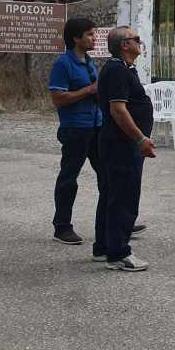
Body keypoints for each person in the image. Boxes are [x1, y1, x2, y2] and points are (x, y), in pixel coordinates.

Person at [95, 26, 156, 271]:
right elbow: (118, 110)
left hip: (119, 142)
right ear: (124, 45)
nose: (140, 42)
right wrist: (140, 140)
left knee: (112, 195)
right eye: (136, 39)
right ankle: (119, 253)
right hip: (122, 144)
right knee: (123, 197)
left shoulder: (122, 68)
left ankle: (103, 247)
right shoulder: (117, 70)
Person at [48, 17, 104, 246]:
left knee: (108, 175)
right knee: (69, 178)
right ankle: (62, 227)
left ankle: (116, 221)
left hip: (96, 126)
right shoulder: (64, 64)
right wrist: (89, 90)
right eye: (90, 34)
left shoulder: (89, 61)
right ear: (76, 38)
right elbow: (58, 98)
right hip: (75, 129)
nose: (94, 38)